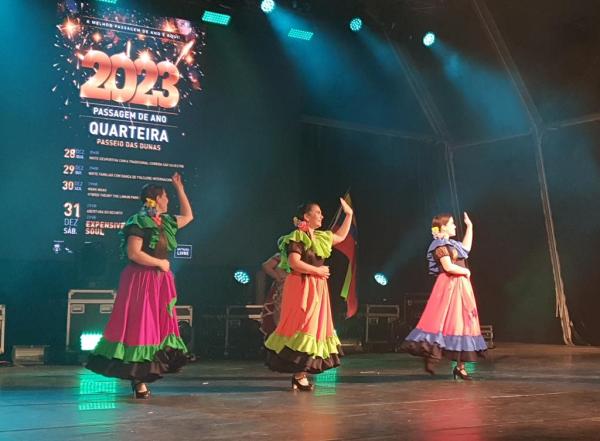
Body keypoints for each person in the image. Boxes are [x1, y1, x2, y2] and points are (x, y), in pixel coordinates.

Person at [86, 172, 194, 398]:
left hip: (159, 281)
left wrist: (180, 189)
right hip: (141, 279)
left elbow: (188, 216)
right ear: (155, 199)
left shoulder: (166, 222)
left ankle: (145, 373)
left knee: (156, 326)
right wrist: (160, 263)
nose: (168, 200)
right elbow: (133, 253)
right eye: (165, 196)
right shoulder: (139, 221)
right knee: (140, 326)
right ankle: (138, 379)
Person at [264, 199, 353, 391]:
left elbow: (340, 236)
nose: (321, 216)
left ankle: (300, 375)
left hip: (317, 286)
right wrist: (317, 271)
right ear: (306, 216)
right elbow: (294, 262)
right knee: (303, 326)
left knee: (313, 329)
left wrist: (349, 215)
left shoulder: (320, 237)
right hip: (301, 285)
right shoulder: (297, 236)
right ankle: (299, 375)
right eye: (318, 212)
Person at [400, 212, 487, 380]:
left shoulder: (452, 244)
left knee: (462, 324)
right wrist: (465, 271)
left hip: (461, 286)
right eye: (452, 224)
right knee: (443, 322)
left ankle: (460, 367)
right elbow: (448, 267)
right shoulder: (438, 244)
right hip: (449, 285)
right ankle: (431, 354)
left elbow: (466, 248)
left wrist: (470, 226)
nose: (454, 226)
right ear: (443, 227)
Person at [258, 253, 287, 337]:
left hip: (296, 290)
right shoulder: (284, 255)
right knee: (279, 311)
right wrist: (278, 278)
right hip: (283, 289)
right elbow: (266, 266)